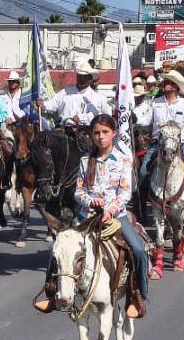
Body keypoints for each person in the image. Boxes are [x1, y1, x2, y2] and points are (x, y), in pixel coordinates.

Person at [33, 115, 149, 319]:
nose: (100, 137)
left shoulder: (123, 160)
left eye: (105, 132)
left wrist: (110, 210)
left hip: (116, 216)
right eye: (96, 133)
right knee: (60, 247)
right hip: (86, 217)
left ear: (113, 134)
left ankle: (137, 297)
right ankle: (51, 293)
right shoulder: (86, 161)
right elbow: (78, 192)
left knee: (138, 250)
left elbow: (125, 193)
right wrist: (90, 201)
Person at [140, 71, 184, 210]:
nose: (165, 84)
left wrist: (179, 140)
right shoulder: (155, 102)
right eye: (165, 82)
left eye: (168, 82)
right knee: (143, 171)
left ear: (175, 87)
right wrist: (135, 118)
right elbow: (147, 120)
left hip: (179, 143)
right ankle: (143, 201)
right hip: (158, 143)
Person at [41, 62, 111, 129]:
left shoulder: (97, 98)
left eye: (84, 77)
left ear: (90, 79)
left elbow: (96, 115)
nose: (82, 79)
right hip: (64, 130)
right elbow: (52, 104)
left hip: (85, 132)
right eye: (80, 76)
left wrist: (81, 118)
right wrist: (43, 105)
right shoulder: (65, 92)